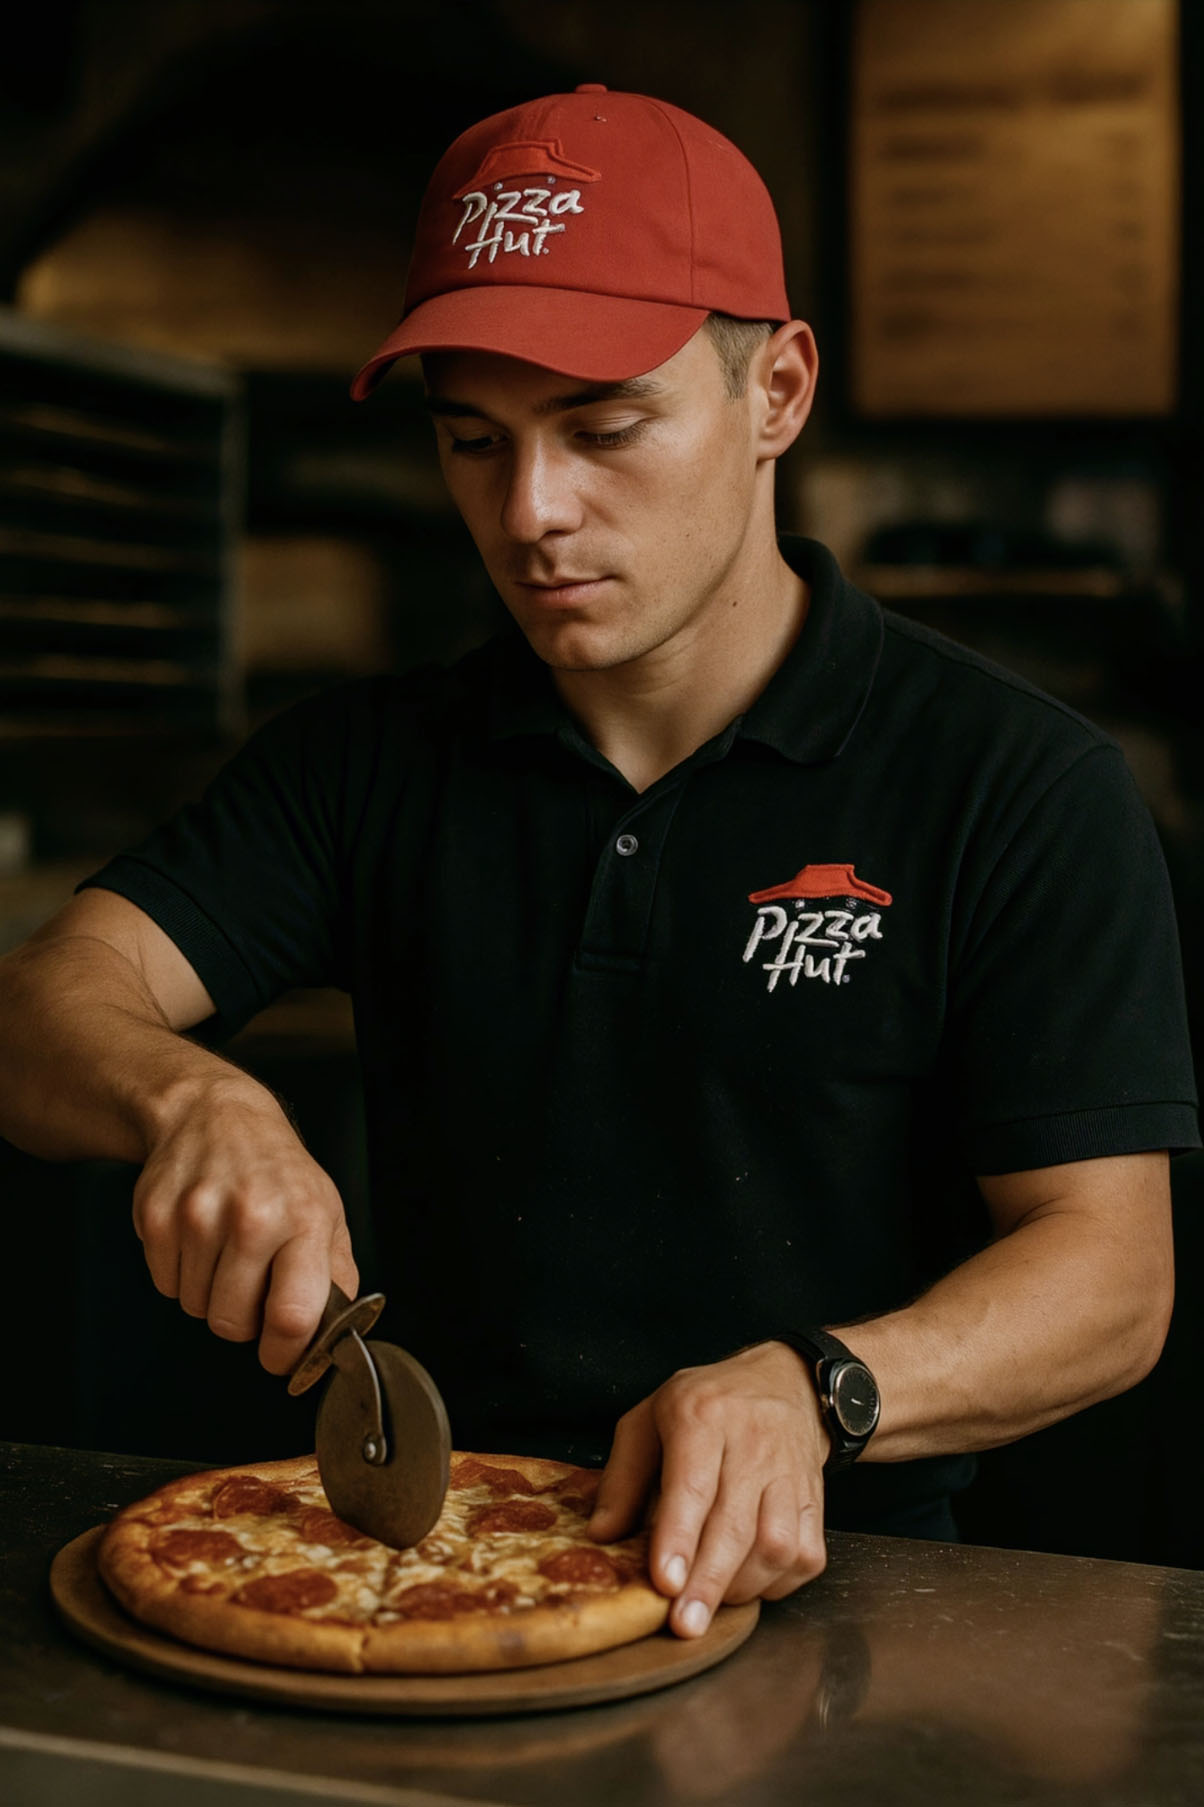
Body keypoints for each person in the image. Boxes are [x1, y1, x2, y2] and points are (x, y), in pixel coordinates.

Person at [0, 85, 1196, 1641]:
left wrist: (821, 1387)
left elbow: (1112, 1278)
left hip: (847, 1596)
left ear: (777, 392)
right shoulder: (365, 762)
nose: (531, 512)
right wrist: (189, 1098)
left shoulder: (1013, 785)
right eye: (473, 441)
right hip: (429, 1569)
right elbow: (43, 1006)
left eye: (604, 429)